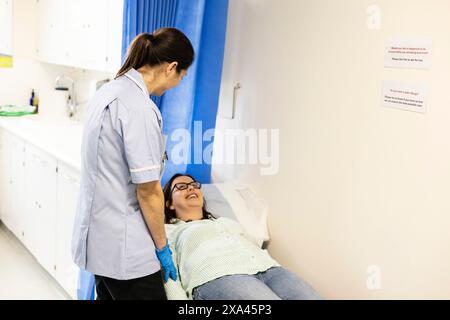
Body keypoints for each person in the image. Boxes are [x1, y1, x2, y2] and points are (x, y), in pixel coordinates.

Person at [71, 28, 194, 300]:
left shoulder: (108, 91)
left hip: (100, 245)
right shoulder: (139, 108)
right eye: (181, 77)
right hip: (127, 254)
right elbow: (148, 190)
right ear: (171, 68)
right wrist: (163, 248)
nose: (176, 85)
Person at [162, 174, 322, 300]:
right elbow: (170, 274)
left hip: (271, 269)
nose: (190, 189)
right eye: (181, 187)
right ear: (169, 203)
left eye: (194, 185)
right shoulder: (169, 230)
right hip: (218, 274)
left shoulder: (226, 222)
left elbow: (253, 246)